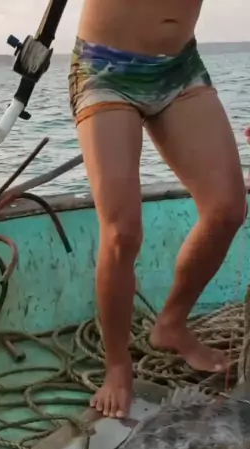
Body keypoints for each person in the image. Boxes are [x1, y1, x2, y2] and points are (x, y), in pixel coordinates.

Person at [69, 0, 247, 418]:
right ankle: (117, 366)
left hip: (180, 67)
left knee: (227, 210)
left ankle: (171, 324)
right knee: (122, 232)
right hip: (105, 69)